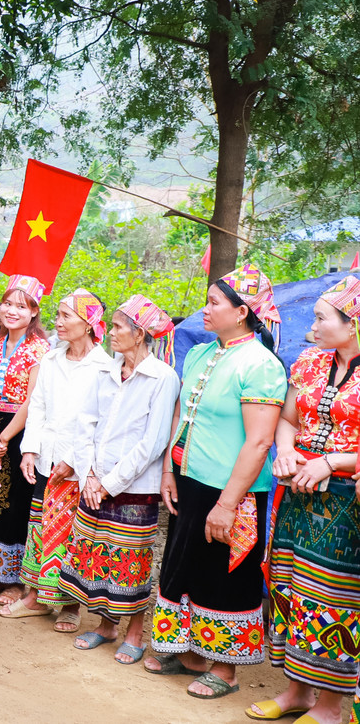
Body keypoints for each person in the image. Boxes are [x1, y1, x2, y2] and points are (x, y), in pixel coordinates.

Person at [147, 264, 287, 700]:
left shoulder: (261, 365)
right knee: (185, 561)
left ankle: (225, 670)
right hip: (190, 477)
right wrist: (170, 469)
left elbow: (261, 439)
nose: (204, 310)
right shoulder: (201, 354)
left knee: (226, 574)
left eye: (213, 303)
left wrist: (227, 503)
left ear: (242, 311)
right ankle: (188, 652)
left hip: (235, 489)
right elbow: (180, 415)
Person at [250, 275, 360, 722]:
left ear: (352, 323)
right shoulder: (311, 362)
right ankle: (296, 691)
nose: (312, 325)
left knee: (335, 597)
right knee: (292, 587)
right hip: (298, 491)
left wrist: (332, 461)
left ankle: (332, 706)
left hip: (346, 502)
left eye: (321, 317)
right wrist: (288, 449)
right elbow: (289, 419)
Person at [62, 294, 179, 665]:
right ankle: (106, 624)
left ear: (140, 333)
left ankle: (133, 631)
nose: (110, 333)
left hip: (133, 487)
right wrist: (90, 474)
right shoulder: (107, 371)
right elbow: (86, 423)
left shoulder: (162, 378)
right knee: (97, 554)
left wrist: (109, 483)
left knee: (132, 559)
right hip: (96, 479)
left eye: (117, 327)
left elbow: (154, 441)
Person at [2, 289, 114, 628]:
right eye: (59, 314)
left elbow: (99, 422)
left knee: (71, 534)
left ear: (89, 323)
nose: (59, 321)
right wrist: (30, 448)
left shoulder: (104, 367)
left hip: (79, 466)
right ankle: (35, 596)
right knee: (39, 525)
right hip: (46, 457)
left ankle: (70, 605)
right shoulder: (50, 359)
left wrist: (73, 459)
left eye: (67, 316)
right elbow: (38, 405)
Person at [0, 274, 51, 602]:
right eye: (8, 303)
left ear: (34, 311)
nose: (11, 310)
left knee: (18, 502)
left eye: (21, 305)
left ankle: (16, 581)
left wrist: (2, 438)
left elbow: (33, 402)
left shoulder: (40, 349)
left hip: (23, 433)